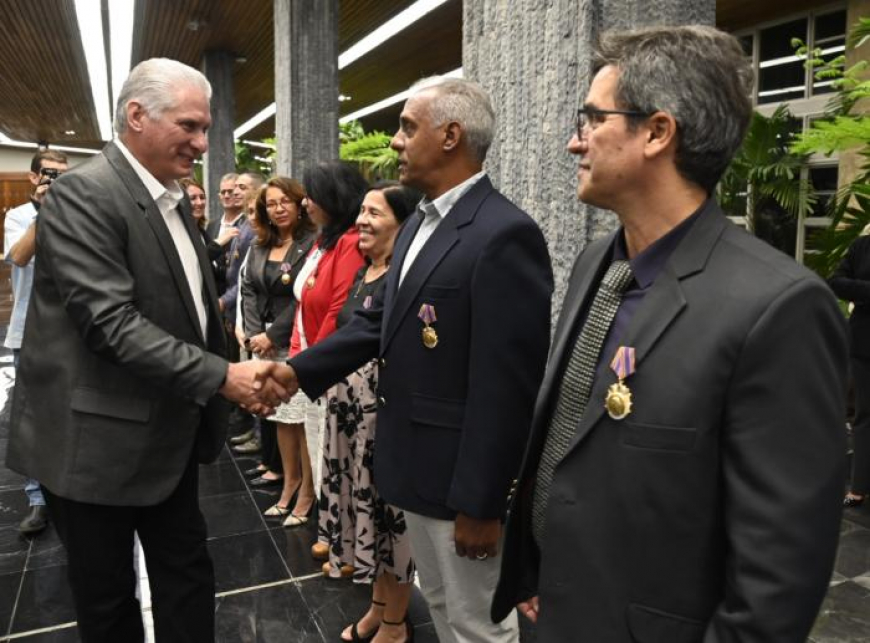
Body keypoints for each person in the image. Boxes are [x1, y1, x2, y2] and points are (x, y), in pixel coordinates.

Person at [490, 26, 848, 642]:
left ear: (657, 132)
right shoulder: (597, 263)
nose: (575, 141)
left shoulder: (777, 307)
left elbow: (778, 578)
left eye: (593, 119)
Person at [5, 58, 289, 643]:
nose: (202, 143)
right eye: (188, 126)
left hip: (168, 432)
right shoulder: (86, 194)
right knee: (108, 602)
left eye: (205, 129)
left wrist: (235, 366)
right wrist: (222, 378)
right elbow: (110, 323)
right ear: (136, 115)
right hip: (94, 447)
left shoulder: (171, 198)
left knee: (186, 577)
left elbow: (187, 305)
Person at [283, 77, 553, 643]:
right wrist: (293, 373)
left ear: (451, 135)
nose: (397, 141)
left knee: (478, 625)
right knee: (441, 606)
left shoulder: (504, 234)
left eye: (408, 126)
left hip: (461, 484)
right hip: (416, 468)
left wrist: (482, 502)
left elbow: (507, 387)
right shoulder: (420, 227)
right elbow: (378, 323)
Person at [326, 181, 421, 643]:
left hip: (381, 416)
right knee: (365, 516)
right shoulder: (366, 271)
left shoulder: (403, 278)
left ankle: (395, 623)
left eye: (374, 213)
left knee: (388, 520)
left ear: (401, 224)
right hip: (350, 414)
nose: (361, 220)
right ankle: (378, 607)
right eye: (360, 211)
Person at [274, 161, 367, 528]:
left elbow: (338, 308)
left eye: (312, 195)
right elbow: (303, 302)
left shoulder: (348, 243)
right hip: (309, 355)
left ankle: (342, 533)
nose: (306, 203)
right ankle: (331, 529)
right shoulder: (323, 240)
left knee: (336, 456)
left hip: (330, 366)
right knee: (317, 445)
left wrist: (314, 362)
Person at [4, 148, 68, 536]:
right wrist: (44, 212)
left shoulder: (76, 210)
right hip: (27, 328)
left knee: (66, 412)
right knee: (31, 417)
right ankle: (37, 498)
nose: (54, 180)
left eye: (62, 174)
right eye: (49, 173)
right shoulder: (19, 216)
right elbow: (19, 257)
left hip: (70, 328)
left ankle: (66, 491)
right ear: (33, 177)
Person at [240, 177, 316, 489]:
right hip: (261, 341)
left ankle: (304, 487)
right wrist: (255, 333)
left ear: (300, 204)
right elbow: (248, 289)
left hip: (294, 338)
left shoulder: (312, 242)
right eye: (271, 204)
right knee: (277, 417)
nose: (278, 208)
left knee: (296, 419)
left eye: (285, 201)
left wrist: (274, 336)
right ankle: (286, 477)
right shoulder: (260, 245)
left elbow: (304, 296)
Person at [830, 228, 870, 508]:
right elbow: (836, 281)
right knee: (865, 415)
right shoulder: (862, 246)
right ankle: (859, 487)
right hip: (864, 342)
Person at [180, 177, 237, 262]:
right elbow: (191, 262)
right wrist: (217, 243)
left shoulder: (202, 232)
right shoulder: (178, 231)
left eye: (202, 197)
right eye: (192, 198)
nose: (199, 203)